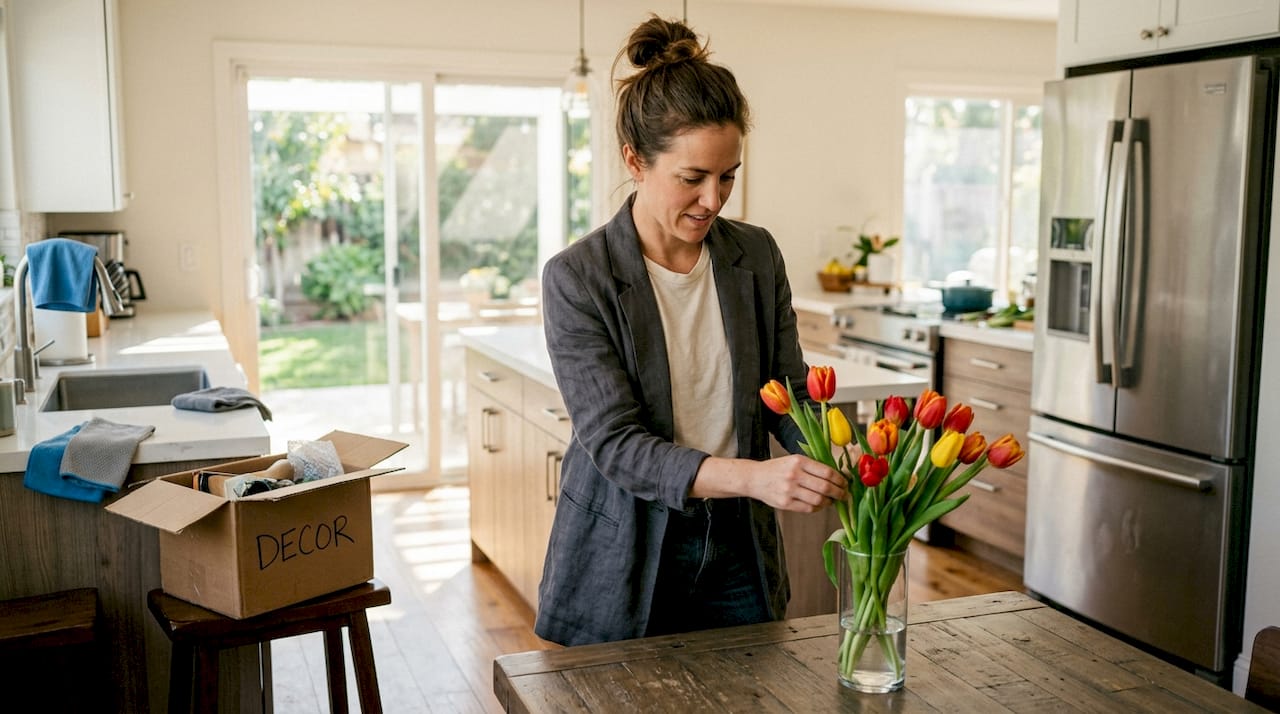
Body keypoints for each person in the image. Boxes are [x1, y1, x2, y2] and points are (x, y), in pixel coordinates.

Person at [535, 14, 847, 647]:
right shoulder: (578, 277)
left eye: (728, 175)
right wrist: (757, 478)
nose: (714, 198)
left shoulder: (755, 256)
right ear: (635, 161)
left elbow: (785, 390)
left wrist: (834, 450)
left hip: (738, 549)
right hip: (625, 547)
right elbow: (617, 444)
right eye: (692, 178)